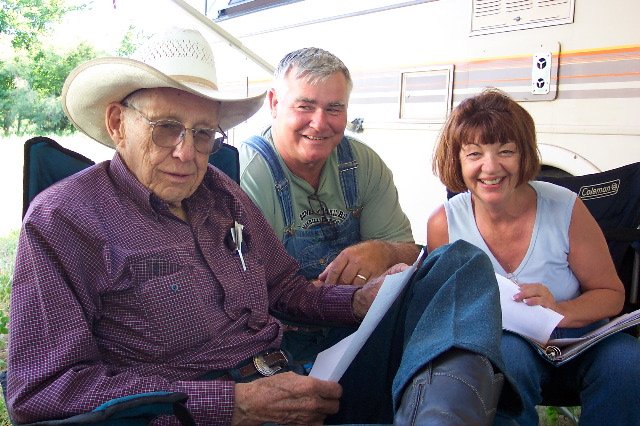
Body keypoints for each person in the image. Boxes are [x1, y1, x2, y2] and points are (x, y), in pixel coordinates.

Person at [7, 29, 520, 426]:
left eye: (205, 133)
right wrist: (231, 405)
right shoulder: (64, 221)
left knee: (459, 263)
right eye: (166, 128)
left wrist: (357, 302)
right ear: (118, 122)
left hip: (301, 380)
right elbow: (43, 388)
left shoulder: (221, 194)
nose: (188, 153)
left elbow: (283, 288)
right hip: (204, 408)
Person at [427, 88, 640, 425]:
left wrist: (560, 310)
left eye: (506, 151)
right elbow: (445, 309)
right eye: (474, 154)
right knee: (503, 359)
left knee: (628, 362)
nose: (491, 167)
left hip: (576, 339)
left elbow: (611, 294)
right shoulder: (445, 224)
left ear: (524, 155)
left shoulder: (566, 208)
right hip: (505, 344)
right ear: (456, 160)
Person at [239, 47, 420, 286]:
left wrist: (384, 252)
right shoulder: (248, 173)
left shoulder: (363, 163)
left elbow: (412, 254)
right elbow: (249, 288)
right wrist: (344, 297)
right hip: (283, 321)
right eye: (305, 106)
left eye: (334, 109)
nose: (320, 123)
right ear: (274, 103)